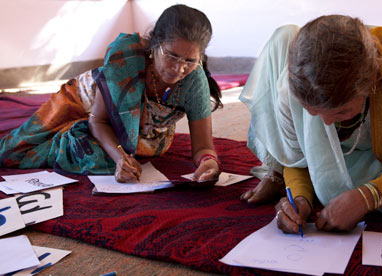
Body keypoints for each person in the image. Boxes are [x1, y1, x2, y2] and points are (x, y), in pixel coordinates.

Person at [239, 15, 382, 231]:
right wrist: (300, 197)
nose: (325, 123)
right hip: (350, 160)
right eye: (312, 112)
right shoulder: (292, 88)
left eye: (341, 111)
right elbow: (299, 158)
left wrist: (366, 197)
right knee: (283, 37)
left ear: (369, 84)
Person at [0, 4, 222, 184]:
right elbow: (98, 121)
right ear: (155, 44)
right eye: (171, 56)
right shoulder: (124, 57)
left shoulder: (194, 82)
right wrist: (120, 158)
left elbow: (203, 147)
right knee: (13, 152)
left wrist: (209, 161)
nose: (179, 68)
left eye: (190, 61)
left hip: (144, 135)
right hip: (82, 103)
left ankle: (83, 141)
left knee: (99, 157)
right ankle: (68, 138)